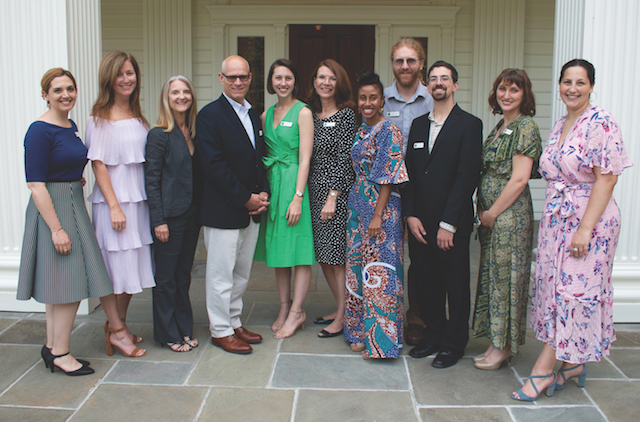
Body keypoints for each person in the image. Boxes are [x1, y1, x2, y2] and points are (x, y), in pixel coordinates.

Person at [512, 59, 632, 401]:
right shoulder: (563, 122)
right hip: (557, 222)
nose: (572, 88)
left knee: (573, 295)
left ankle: (543, 371)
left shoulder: (601, 122)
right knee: (555, 293)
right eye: (567, 82)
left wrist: (585, 229)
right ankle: (572, 364)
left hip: (588, 221)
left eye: (580, 82)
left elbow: (607, 178)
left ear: (591, 86)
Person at [17, 68, 144, 376]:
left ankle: (52, 347)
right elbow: (36, 184)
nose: (66, 95)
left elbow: (68, 165)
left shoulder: (70, 125)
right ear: (45, 94)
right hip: (54, 211)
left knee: (61, 281)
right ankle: (61, 353)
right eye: (58, 90)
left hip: (72, 202)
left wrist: (75, 182)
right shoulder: (39, 130)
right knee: (69, 285)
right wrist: (56, 228)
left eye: (70, 89)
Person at [403, 61, 482, 368]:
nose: (438, 83)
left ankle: (454, 343)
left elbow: (467, 177)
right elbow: (409, 172)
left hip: (452, 223)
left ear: (455, 85)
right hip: (420, 222)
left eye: (444, 78)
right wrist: (410, 215)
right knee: (427, 283)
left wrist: (448, 224)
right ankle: (434, 335)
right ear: (428, 86)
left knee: (455, 285)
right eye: (433, 79)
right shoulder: (419, 124)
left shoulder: (469, 124)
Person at [196, 55, 270, 354]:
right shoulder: (209, 116)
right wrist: (245, 198)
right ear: (221, 78)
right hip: (223, 209)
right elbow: (213, 166)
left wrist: (262, 193)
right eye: (232, 77)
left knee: (241, 273)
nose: (238, 82)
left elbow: (258, 160)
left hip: (251, 210)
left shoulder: (253, 114)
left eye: (243, 77)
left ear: (250, 78)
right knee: (220, 274)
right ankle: (220, 330)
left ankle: (234, 320)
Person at [471, 69, 542, 370]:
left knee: (507, 280)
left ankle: (504, 347)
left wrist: (492, 212)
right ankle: (496, 343)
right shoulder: (501, 125)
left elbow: (519, 179)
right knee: (494, 278)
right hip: (493, 218)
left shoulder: (525, 127)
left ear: (525, 95)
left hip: (509, 217)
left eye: (514, 90)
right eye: (502, 88)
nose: (507, 95)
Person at [86, 51, 155, 355]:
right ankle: (116, 329)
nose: (126, 79)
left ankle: (120, 325)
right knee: (113, 267)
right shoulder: (99, 117)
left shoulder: (139, 117)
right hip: (113, 204)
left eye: (130, 73)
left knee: (131, 267)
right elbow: (98, 165)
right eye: (120, 74)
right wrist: (114, 206)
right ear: (109, 80)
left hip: (138, 203)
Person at [344, 69, 409, 359]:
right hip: (358, 207)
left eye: (373, 98)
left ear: (382, 100)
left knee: (380, 275)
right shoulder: (362, 130)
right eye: (362, 98)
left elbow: (388, 177)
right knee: (359, 273)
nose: (367, 103)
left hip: (381, 211)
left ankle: (381, 343)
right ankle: (359, 331)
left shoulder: (389, 131)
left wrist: (377, 215)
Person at [254, 59, 315, 339]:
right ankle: (284, 306)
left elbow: (305, 159)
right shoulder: (266, 115)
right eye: (278, 77)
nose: (283, 83)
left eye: (288, 78)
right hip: (274, 186)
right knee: (279, 252)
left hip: (293, 184)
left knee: (300, 253)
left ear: (295, 81)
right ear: (271, 81)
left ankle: (297, 311)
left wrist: (298, 198)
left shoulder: (303, 112)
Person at [383, 37, 434, 346]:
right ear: (392, 64)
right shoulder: (381, 98)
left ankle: (416, 316)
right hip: (386, 190)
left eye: (411, 60)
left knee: (420, 255)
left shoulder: (432, 98)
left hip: (421, 189)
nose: (405, 66)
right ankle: (385, 315)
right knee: (386, 254)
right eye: (399, 61)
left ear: (421, 63)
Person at [145, 75, 202, 352]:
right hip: (169, 217)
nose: (181, 96)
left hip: (191, 215)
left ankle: (184, 327)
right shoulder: (159, 135)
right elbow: (151, 180)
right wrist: (158, 220)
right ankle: (168, 332)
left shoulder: (192, 131)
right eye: (175, 92)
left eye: (186, 92)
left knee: (183, 275)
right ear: (166, 98)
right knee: (165, 278)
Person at [305, 59, 357, 338]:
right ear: (314, 81)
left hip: (334, 194)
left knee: (337, 258)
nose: (326, 82)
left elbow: (345, 160)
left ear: (339, 83)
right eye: (321, 77)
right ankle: (340, 309)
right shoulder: (310, 115)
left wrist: (332, 197)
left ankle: (345, 316)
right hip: (312, 191)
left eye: (332, 78)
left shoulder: (347, 116)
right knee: (324, 256)